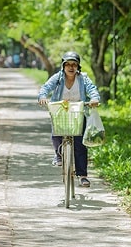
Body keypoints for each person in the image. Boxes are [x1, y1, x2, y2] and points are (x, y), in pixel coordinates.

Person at [37, 51, 100, 187]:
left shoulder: (83, 78)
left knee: (80, 144)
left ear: (78, 67)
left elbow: (92, 89)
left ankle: (82, 176)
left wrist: (94, 98)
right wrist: (42, 97)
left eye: (74, 65)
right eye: (68, 64)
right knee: (56, 134)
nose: (71, 67)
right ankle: (58, 155)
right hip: (60, 111)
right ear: (63, 66)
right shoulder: (58, 78)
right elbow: (46, 88)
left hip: (78, 112)